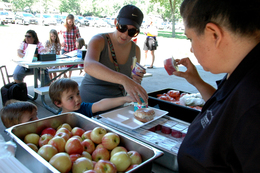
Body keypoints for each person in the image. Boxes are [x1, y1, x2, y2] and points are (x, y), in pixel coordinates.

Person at [175, 0, 260, 172]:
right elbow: (223, 112)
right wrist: (197, 81)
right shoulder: (240, 68)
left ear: (213, 34)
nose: (191, 49)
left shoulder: (254, 107)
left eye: (190, 38)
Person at [80, 5, 148, 104]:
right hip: (90, 104)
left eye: (132, 32)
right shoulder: (99, 40)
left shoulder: (136, 50)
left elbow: (133, 81)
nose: (125, 35)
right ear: (116, 22)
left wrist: (135, 79)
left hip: (116, 105)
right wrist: (124, 79)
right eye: (122, 27)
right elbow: (89, 66)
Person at [49, 78, 133, 117]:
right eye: (71, 97)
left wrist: (125, 99)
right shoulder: (59, 120)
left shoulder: (83, 108)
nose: (77, 99)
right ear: (58, 103)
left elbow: (100, 105)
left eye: (77, 93)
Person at [59, 14, 81, 78]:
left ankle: (69, 77)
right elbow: (59, 35)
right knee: (62, 63)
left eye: (72, 21)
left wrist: (78, 44)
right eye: (69, 22)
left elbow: (79, 37)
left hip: (72, 48)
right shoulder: (63, 27)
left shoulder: (75, 28)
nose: (70, 23)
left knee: (70, 65)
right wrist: (61, 41)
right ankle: (62, 75)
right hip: (65, 48)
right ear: (67, 20)